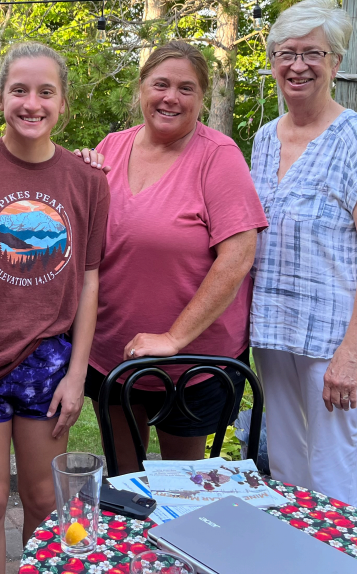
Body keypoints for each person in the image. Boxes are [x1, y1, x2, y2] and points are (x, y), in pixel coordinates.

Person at [0, 42, 110, 574]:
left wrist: (77, 373)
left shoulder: (88, 181)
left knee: (42, 502)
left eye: (45, 92)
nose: (31, 103)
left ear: (63, 104)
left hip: (49, 362)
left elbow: (88, 278)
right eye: (19, 90)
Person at [78, 41, 268, 471]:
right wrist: (74, 174)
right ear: (141, 88)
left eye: (186, 88)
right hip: (113, 355)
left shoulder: (217, 157)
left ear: (202, 99)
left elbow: (238, 258)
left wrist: (173, 339)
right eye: (160, 84)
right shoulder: (111, 146)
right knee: (126, 485)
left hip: (190, 363)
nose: (171, 97)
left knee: (180, 491)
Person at [249, 0, 357, 510]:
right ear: (272, 62)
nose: (298, 65)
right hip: (276, 338)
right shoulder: (264, 139)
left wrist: (352, 356)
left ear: (335, 63)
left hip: (337, 346)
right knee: (289, 480)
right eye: (286, 53)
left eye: (312, 53)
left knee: (335, 491)